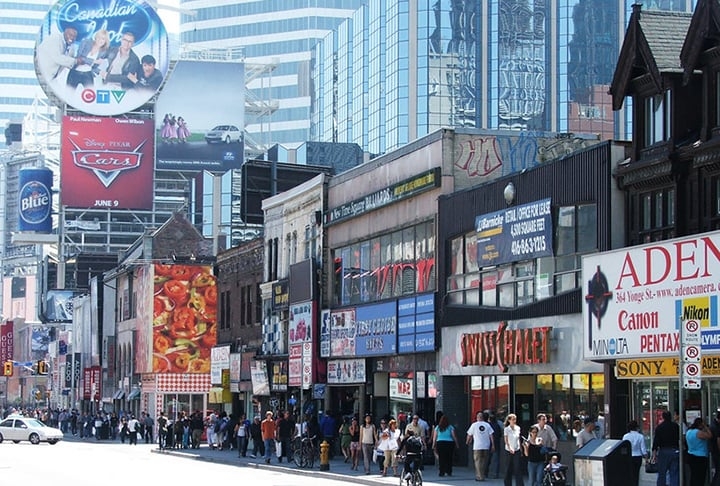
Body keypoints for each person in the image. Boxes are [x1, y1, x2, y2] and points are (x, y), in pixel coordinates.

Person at [652, 410, 680, 486]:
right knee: (674, 473)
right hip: (675, 450)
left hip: (663, 451)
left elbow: (656, 442)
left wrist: (654, 455)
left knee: (662, 473)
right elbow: (678, 438)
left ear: (663, 417)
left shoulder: (659, 427)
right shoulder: (676, 426)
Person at [467, 411, 494, 482]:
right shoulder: (487, 425)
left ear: (477, 417)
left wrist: (468, 441)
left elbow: (469, 435)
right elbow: (491, 435)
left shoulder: (474, 425)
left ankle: (480, 476)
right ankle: (482, 474)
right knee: (484, 461)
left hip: (477, 446)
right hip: (486, 445)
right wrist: (493, 444)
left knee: (477, 461)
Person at [686, 417, 712, 486]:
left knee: (693, 476)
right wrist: (706, 427)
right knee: (700, 477)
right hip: (700, 456)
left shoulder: (688, 432)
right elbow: (709, 435)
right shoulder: (698, 433)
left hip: (691, 455)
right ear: (700, 424)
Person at [622, 420, 648, 486]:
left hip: (629, 457)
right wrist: (646, 458)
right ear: (636, 427)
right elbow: (643, 449)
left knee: (629, 474)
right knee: (636, 474)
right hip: (638, 457)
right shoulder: (640, 436)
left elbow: (623, 448)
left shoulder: (625, 436)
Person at [504, 413, 524, 486]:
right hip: (509, 450)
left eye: (515, 419)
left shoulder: (518, 428)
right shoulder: (506, 429)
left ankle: (520, 484)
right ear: (509, 420)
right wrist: (510, 448)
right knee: (508, 468)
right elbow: (506, 440)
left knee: (517, 468)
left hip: (517, 449)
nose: (514, 421)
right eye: (512, 419)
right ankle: (507, 484)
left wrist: (521, 449)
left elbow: (518, 439)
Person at [709, 410, 720, 486]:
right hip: (717, 452)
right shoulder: (717, 427)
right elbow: (718, 441)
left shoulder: (712, 425)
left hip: (714, 451)